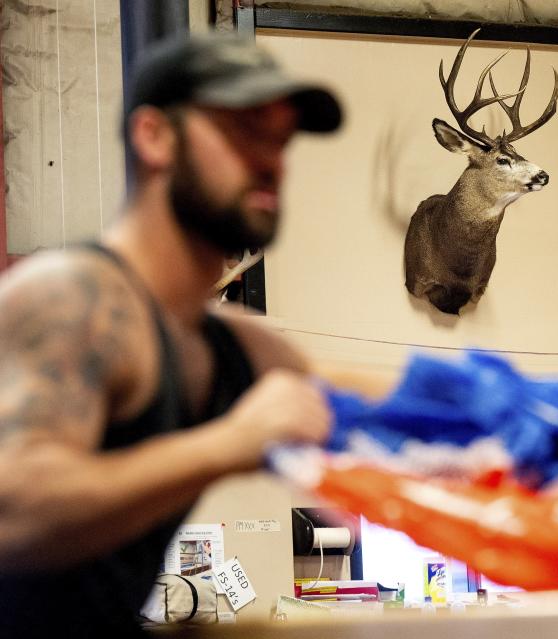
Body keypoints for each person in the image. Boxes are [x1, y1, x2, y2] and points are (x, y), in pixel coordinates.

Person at [0, 33, 378, 636]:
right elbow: (11, 516)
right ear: (155, 137)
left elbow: (387, 403)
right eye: (244, 131)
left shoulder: (227, 344)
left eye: (280, 140)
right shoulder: (72, 299)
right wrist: (233, 442)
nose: (272, 161)